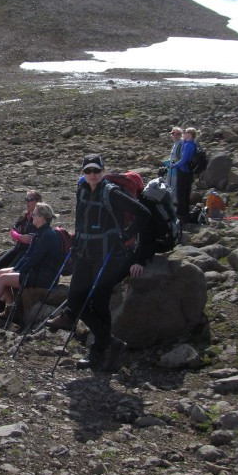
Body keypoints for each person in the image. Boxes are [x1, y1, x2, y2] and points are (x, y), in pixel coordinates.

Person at [47, 154, 153, 371]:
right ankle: (110, 343)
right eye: (88, 171)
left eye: (96, 170)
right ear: (83, 173)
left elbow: (144, 214)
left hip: (108, 255)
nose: (92, 174)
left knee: (98, 301)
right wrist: (76, 241)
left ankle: (98, 353)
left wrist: (125, 236)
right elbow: (80, 218)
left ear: (103, 171)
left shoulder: (111, 192)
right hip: (85, 252)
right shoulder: (82, 189)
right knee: (75, 298)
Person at [0, 202, 65, 323]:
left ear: (42, 218)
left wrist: (18, 271)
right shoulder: (40, 233)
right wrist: (16, 269)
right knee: (0, 272)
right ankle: (10, 308)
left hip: (44, 277)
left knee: (3, 278)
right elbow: (27, 256)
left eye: (34, 214)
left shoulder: (48, 236)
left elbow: (33, 259)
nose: (32, 216)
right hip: (36, 271)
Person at [0, 190, 42, 313]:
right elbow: (13, 231)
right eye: (26, 199)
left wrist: (24, 237)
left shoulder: (40, 218)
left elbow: (36, 237)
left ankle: (4, 303)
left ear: (38, 201)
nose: (27, 202)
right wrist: (20, 237)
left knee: (8, 272)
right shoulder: (24, 216)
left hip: (27, 251)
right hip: (17, 248)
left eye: (30, 199)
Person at [171, 127, 197, 224]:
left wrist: (174, 165)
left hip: (184, 171)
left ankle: (180, 215)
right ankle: (186, 214)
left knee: (181, 194)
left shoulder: (188, 145)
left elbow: (184, 160)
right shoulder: (193, 144)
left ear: (189, 134)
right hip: (190, 172)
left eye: (185, 132)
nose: (184, 133)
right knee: (186, 193)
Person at [163, 127, 183, 204]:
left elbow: (180, 157)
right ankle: (170, 200)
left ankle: (174, 201)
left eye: (177, 134)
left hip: (176, 168)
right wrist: (168, 162)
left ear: (180, 135)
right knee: (169, 184)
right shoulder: (176, 143)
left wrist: (172, 163)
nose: (175, 136)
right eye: (173, 134)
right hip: (171, 168)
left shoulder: (181, 144)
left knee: (174, 185)